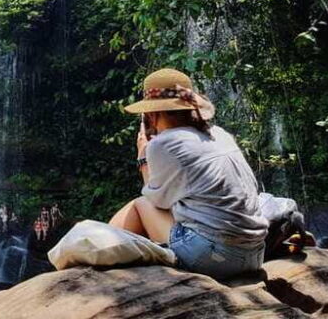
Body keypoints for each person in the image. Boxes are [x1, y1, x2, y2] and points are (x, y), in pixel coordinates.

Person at [110, 68, 268, 280]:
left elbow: (156, 201)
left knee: (139, 205)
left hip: (215, 258)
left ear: (152, 114)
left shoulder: (163, 144)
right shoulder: (219, 134)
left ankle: (101, 268)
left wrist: (142, 156)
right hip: (255, 254)